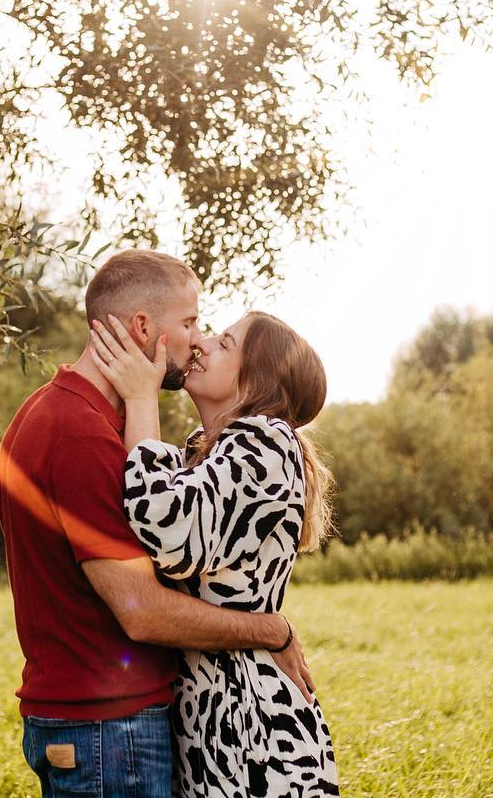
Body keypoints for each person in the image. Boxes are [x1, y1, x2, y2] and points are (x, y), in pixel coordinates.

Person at [0, 250, 314, 798]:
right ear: (144, 327)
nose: (198, 339)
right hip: (107, 728)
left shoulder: (64, 414)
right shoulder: (80, 432)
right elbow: (142, 610)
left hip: (171, 723)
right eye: (190, 323)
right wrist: (270, 628)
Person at [88, 309, 339, 797]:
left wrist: (142, 398)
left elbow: (167, 532)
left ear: (257, 380)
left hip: (250, 730)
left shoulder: (267, 444)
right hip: (209, 716)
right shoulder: (209, 452)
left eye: (225, 343)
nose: (201, 343)